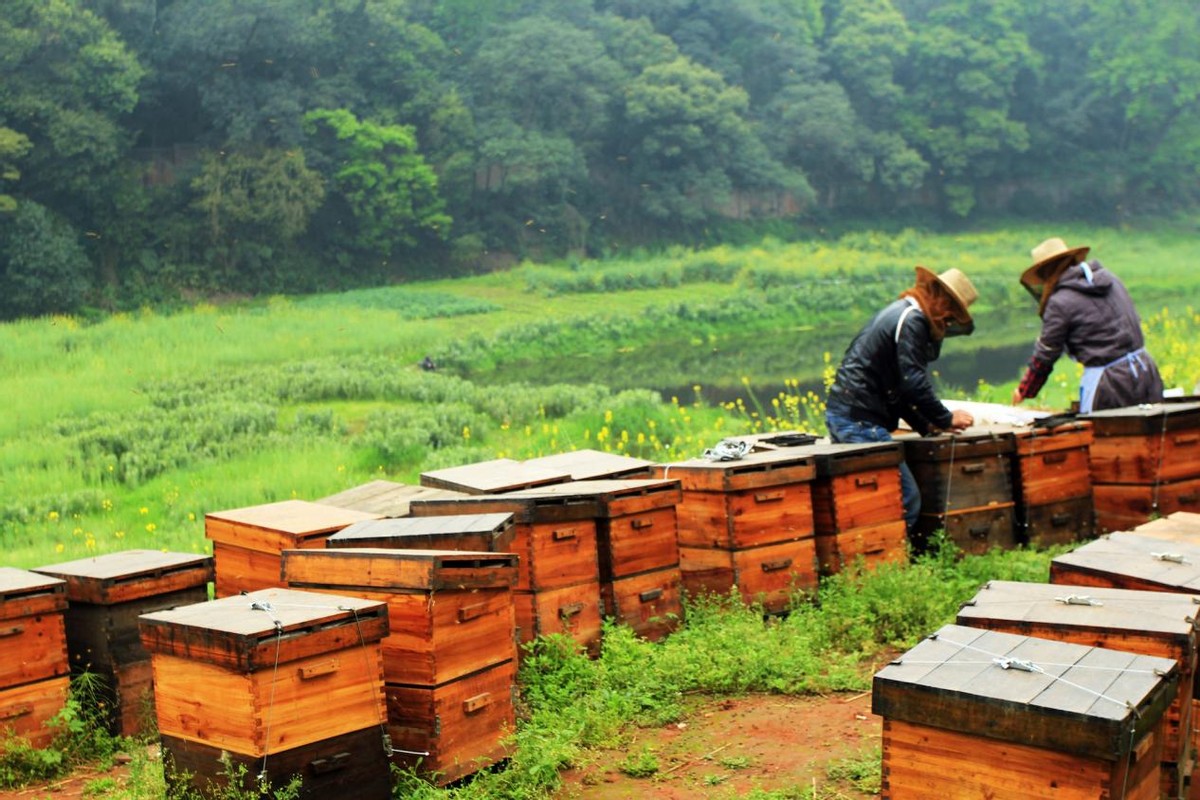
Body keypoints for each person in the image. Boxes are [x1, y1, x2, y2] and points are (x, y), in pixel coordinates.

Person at [824, 266, 978, 532]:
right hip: (861, 421)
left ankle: (877, 551)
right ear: (940, 299)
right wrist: (946, 418)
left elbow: (897, 389)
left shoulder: (902, 312)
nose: (948, 320)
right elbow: (913, 382)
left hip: (849, 415)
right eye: (950, 312)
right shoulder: (913, 320)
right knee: (904, 498)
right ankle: (888, 553)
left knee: (873, 498)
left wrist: (927, 425)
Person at [1010, 237, 1163, 413]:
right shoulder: (1111, 279)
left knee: (1109, 431)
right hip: (1146, 371)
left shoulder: (1059, 302)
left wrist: (1024, 390)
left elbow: (1046, 354)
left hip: (1110, 385)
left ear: (1047, 272)